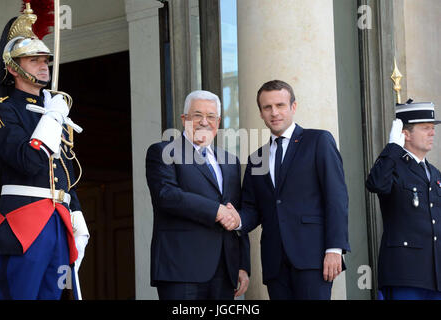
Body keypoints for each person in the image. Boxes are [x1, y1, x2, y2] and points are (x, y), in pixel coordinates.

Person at [0, 4, 89, 299]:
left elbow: (64, 170)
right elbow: (29, 160)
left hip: (59, 221)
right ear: (13, 67)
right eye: (34, 60)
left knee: (55, 294)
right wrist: (52, 118)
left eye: (45, 59)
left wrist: (77, 212)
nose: (44, 65)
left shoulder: (52, 111)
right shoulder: (3, 112)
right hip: (25, 224)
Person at [235, 80, 350, 300]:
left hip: (313, 258)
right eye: (267, 107)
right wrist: (236, 220)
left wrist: (335, 248)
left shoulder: (318, 141)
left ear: (293, 107)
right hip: (275, 262)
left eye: (280, 105)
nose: (274, 112)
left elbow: (336, 197)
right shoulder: (256, 158)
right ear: (260, 113)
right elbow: (252, 209)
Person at [145, 90, 250, 300]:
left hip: (225, 270)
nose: (204, 121)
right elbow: (167, 195)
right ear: (184, 120)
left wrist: (243, 265)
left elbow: (236, 212)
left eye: (211, 116)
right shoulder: (163, 152)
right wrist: (216, 211)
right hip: (181, 268)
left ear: (218, 121)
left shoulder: (231, 161)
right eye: (197, 115)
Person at [366, 99, 441, 300]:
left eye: (432, 128)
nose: (432, 132)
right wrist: (393, 147)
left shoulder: (434, 173)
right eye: (425, 128)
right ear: (405, 134)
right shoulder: (393, 166)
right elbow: (376, 184)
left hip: (435, 275)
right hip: (405, 273)